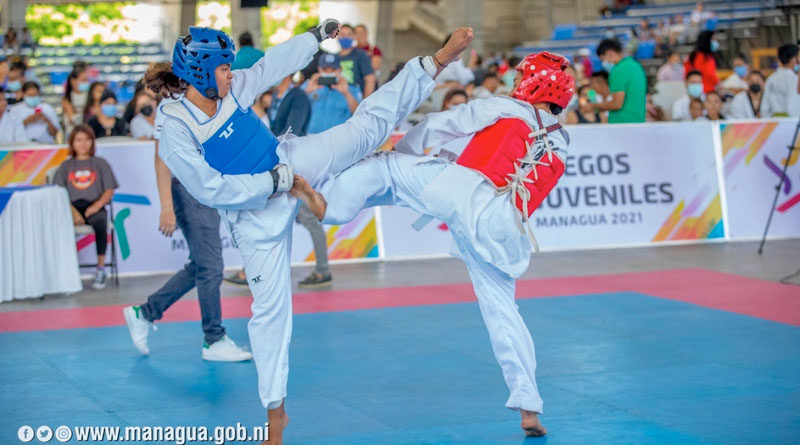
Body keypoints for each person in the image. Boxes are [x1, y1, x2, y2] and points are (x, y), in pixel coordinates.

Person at [128, 22, 472, 445]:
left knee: (366, 130)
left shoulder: (231, 87)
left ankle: (435, 63)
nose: (231, 74)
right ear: (199, 72)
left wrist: (314, 36)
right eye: (222, 68)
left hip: (289, 160)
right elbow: (209, 188)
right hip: (255, 216)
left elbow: (274, 64)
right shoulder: (175, 126)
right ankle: (276, 415)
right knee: (271, 315)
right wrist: (275, 183)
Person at [317, 51, 574, 439]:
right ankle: (529, 404)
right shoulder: (563, 142)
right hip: (504, 230)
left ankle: (322, 207)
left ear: (533, 83)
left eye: (522, 77)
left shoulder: (505, 107)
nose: (514, 83)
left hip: (464, 193)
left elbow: (444, 123)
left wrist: (406, 153)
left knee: (385, 168)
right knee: (504, 312)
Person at [53, 125, 118, 289]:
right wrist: (73, 213)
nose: (83, 144)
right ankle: (65, 272)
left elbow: (109, 190)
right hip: (71, 207)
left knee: (101, 223)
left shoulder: (100, 163)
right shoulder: (65, 167)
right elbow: (58, 194)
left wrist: (96, 206)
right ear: (72, 143)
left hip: (94, 205)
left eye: (87, 139)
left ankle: (101, 269)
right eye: (79, 140)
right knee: (58, 226)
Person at [592, 39, 646, 123]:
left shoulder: (618, 70)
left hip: (621, 123)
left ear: (610, 53)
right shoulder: (637, 66)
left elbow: (617, 104)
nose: (603, 63)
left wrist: (593, 106)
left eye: (603, 60)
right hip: (639, 120)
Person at [337, 24, 376, 98]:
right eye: (342, 34)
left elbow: (370, 80)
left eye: (349, 34)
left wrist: (364, 103)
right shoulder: (335, 57)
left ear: (354, 36)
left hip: (356, 100)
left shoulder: (361, 55)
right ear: (337, 36)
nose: (345, 37)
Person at [762, 43, 800, 117]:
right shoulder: (795, 79)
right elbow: (794, 107)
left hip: (774, 122)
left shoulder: (770, 79)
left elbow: (764, 108)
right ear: (793, 59)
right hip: (793, 122)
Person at [62, 68, 91, 135]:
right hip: (73, 132)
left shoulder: (90, 96)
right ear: (73, 81)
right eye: (83, 80)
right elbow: (73, 118)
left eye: (87, 80)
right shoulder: (67, 98)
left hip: (88, 130)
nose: (86, 82)